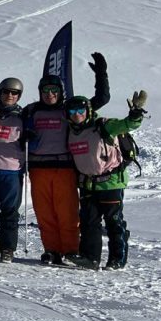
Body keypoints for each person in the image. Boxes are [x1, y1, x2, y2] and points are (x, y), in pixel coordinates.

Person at [23, 53, 111, 265]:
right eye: (46, 91)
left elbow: (101, 100)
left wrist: (101, 75)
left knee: (67, 213)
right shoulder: (31, 110)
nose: (50, 94)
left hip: (64, 168)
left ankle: (71, 250)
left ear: (60, 92)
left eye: (54, 90)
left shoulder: (69, 109)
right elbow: (8, 119)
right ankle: (51, 250)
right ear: (40, 92)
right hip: (38, 169)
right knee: (44, 213)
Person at [66, 91, 147, 270]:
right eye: (72, 112)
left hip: (110, 183)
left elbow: (126, 125)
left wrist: (136, 113)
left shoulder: (104, 126)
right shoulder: (71, 131)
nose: (77, 115)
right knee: (88, 222)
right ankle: (90, 258)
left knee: (113, 221)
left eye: (80, 110)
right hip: (87, 184)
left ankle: (117, 259)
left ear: (87, 111)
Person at [0, 78, 26, 262]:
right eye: (6, 92)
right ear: (0, 92)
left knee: (10, 211)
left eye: (14, 93)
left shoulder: (23, 116)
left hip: (12, 170)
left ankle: (8, 249)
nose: (10, 95)